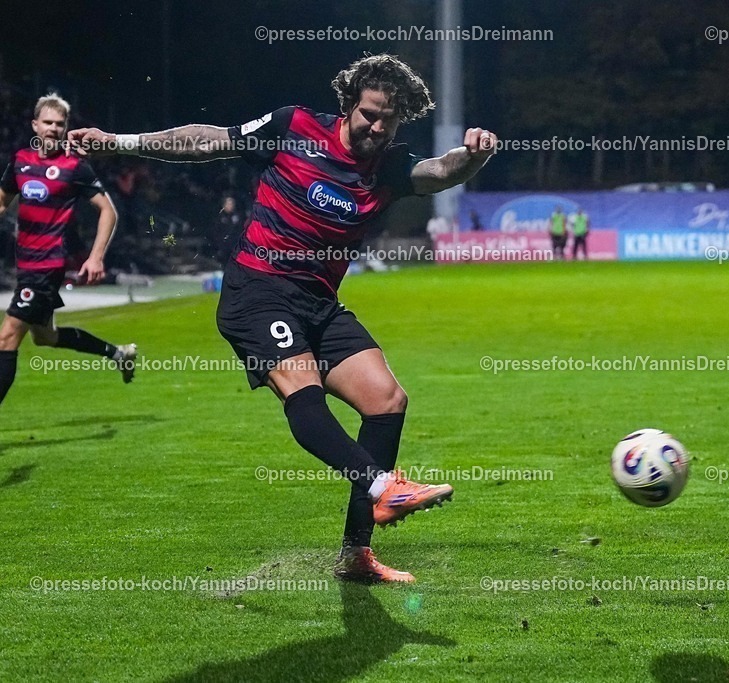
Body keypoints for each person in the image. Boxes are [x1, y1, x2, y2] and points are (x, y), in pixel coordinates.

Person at [69, 54, 497, 583]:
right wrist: (121, 142)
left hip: (318, 301)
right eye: (369, 114)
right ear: (347, 106)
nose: (378, 127)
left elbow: (440, 172)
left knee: (387, 400)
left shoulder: (389, 165)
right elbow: (209, 140)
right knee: (304, 389)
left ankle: (356, 554)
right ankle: (382, 486)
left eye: (390, 118)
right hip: (258, 290)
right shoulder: (293, 127)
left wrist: (473, 156)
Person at [0, 93, 136, 411]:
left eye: (59, 124)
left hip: (47, 266)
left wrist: (96, 256)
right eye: (47, 122)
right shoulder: (20, 160)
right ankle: (119, 353)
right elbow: (3, 201)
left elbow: (108, 211)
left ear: (65, 129)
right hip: (26, 264)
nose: (53, 129)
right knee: (45, 337)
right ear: (35, 125)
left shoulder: (75, 167)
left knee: (7, 337)